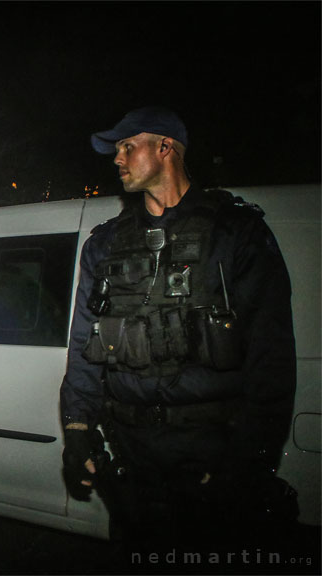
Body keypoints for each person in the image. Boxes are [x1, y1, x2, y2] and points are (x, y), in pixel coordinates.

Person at [60, 107, 298, 563]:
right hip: (132, 458)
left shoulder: (236, 233)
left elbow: (271, 360)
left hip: (211, 458)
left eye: (128, 146)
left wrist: (245, 466)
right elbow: (84, 347)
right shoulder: (105, 244)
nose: (117, 158)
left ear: (165, 148)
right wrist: (77, 430)